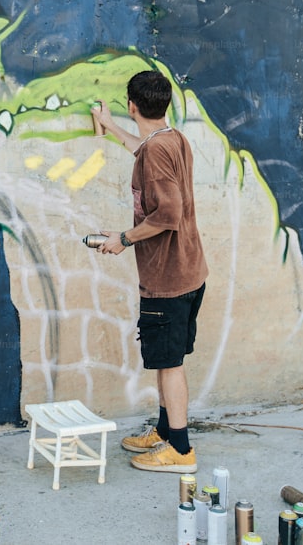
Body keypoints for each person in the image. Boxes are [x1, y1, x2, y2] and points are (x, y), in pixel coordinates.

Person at [90, 70, 208, 474]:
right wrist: (110, 127)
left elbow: (169, 213)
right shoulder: (171, 139)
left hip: (168, 280)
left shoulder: (157, 151)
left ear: (132, 105)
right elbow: (143, 149)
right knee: (166, 359)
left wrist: (124, 237)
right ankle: (164, 431)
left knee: (170, 363)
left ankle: (181, 450)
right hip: (189, 272)